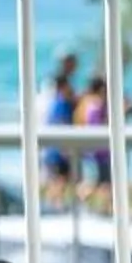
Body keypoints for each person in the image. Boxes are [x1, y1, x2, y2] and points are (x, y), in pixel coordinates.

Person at [38, 52, 78, 201]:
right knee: (58, 181)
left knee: (59, 181)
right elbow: (59, 122)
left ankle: (54, 206)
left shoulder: (57, 99)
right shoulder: (59, 102)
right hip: (57, 148)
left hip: (55, 147)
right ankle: (53, 206)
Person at [77, 71, 111, 198]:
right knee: (94, 183)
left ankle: (104, 210)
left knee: (101, 183)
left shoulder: (85, 102)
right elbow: (95, 126)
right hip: (97, 152)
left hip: (91, 151)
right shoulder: (95, 105)